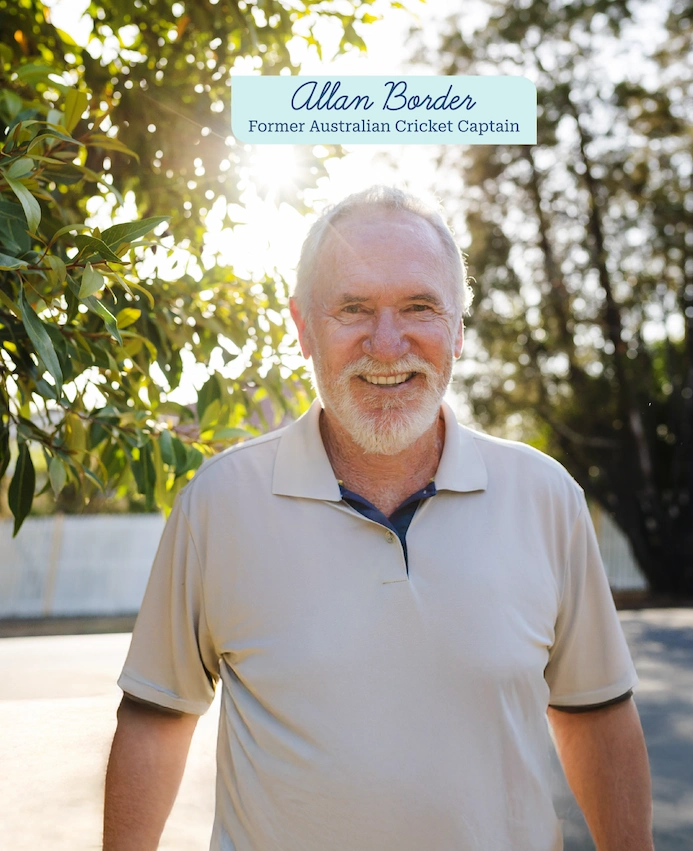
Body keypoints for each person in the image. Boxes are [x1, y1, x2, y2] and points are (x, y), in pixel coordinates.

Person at [103, 186, 654, 851]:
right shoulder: (219, 503)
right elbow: (155, 717)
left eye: (419, 307)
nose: (387, 344)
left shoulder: (547, 499)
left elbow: (596, 714)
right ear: (303, 326)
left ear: (457, 327)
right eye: (354, 308)